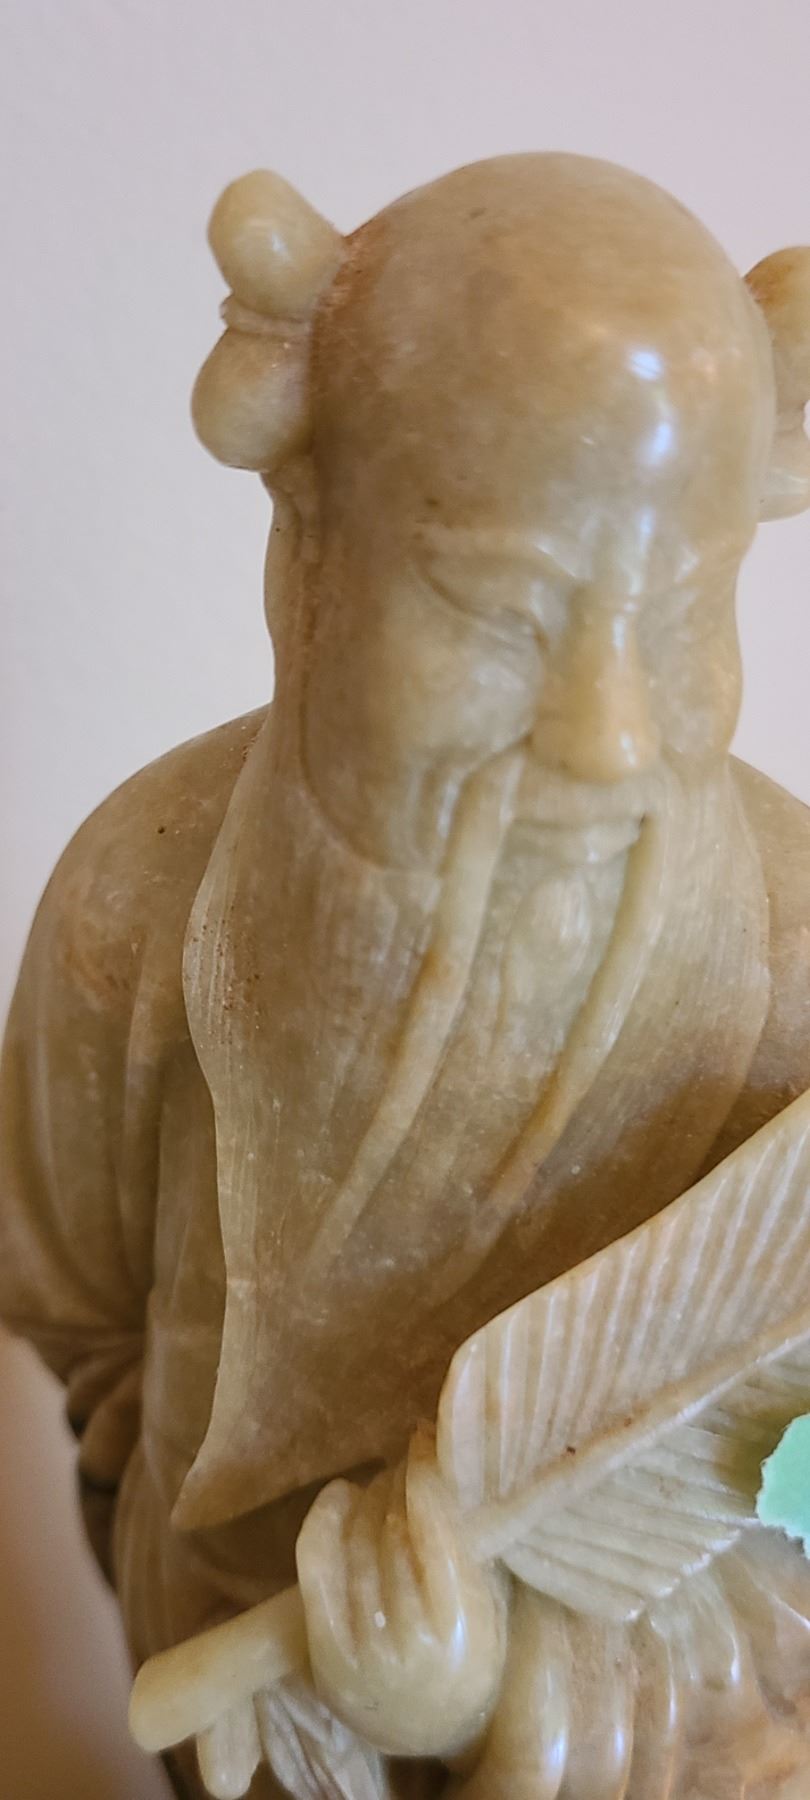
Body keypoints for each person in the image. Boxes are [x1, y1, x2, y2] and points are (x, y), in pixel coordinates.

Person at [3, 153, 810, 1799]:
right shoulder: (137, 900)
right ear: (313, 555)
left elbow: (788, 1516)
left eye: (675, 616)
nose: (608, 737)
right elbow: (86, 1343)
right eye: (500, 610)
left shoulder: (789, 964)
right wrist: (208, 1570)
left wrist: (491, 1687)